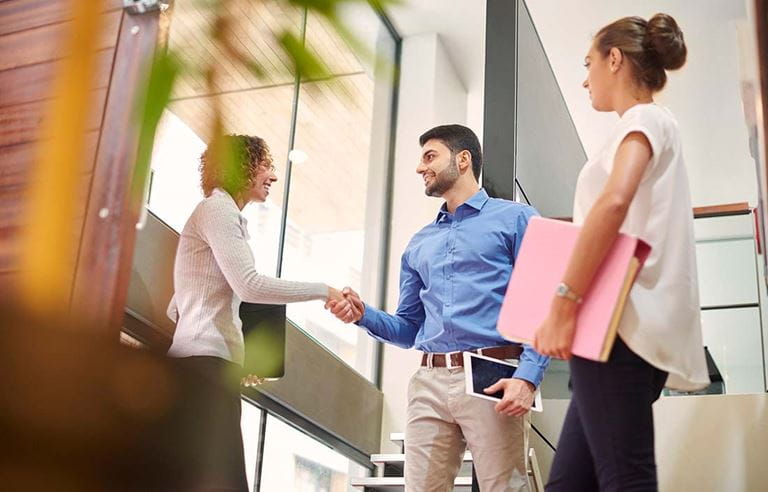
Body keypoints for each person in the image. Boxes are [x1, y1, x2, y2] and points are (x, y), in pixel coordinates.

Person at [534, 14, 710, 492]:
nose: (585, 77)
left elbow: (615, 201)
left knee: (625, 479)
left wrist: (563, 303)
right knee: (570, 484)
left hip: (618, 326)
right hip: (620, 331)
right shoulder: (651, 124)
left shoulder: (645, 118)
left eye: (588, 62)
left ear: (615, 59)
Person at [328, 125, 550, 492]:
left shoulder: (516, 219)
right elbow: (408, 327)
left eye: (430, 156)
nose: (420, 168)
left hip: (492, 374)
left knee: (505, 488)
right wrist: (363, 314)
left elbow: (544, 304)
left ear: (463, 160)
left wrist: (528, 376)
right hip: (429, 380)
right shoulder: (420, 243)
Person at [165, 134, 353, 491]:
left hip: (203, 367)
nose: (273, 175)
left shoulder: (214, 213)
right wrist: (323, 291)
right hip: (204, 369)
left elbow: (177, 305)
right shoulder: (219, 210)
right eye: (265, 165)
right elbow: (249, 285)